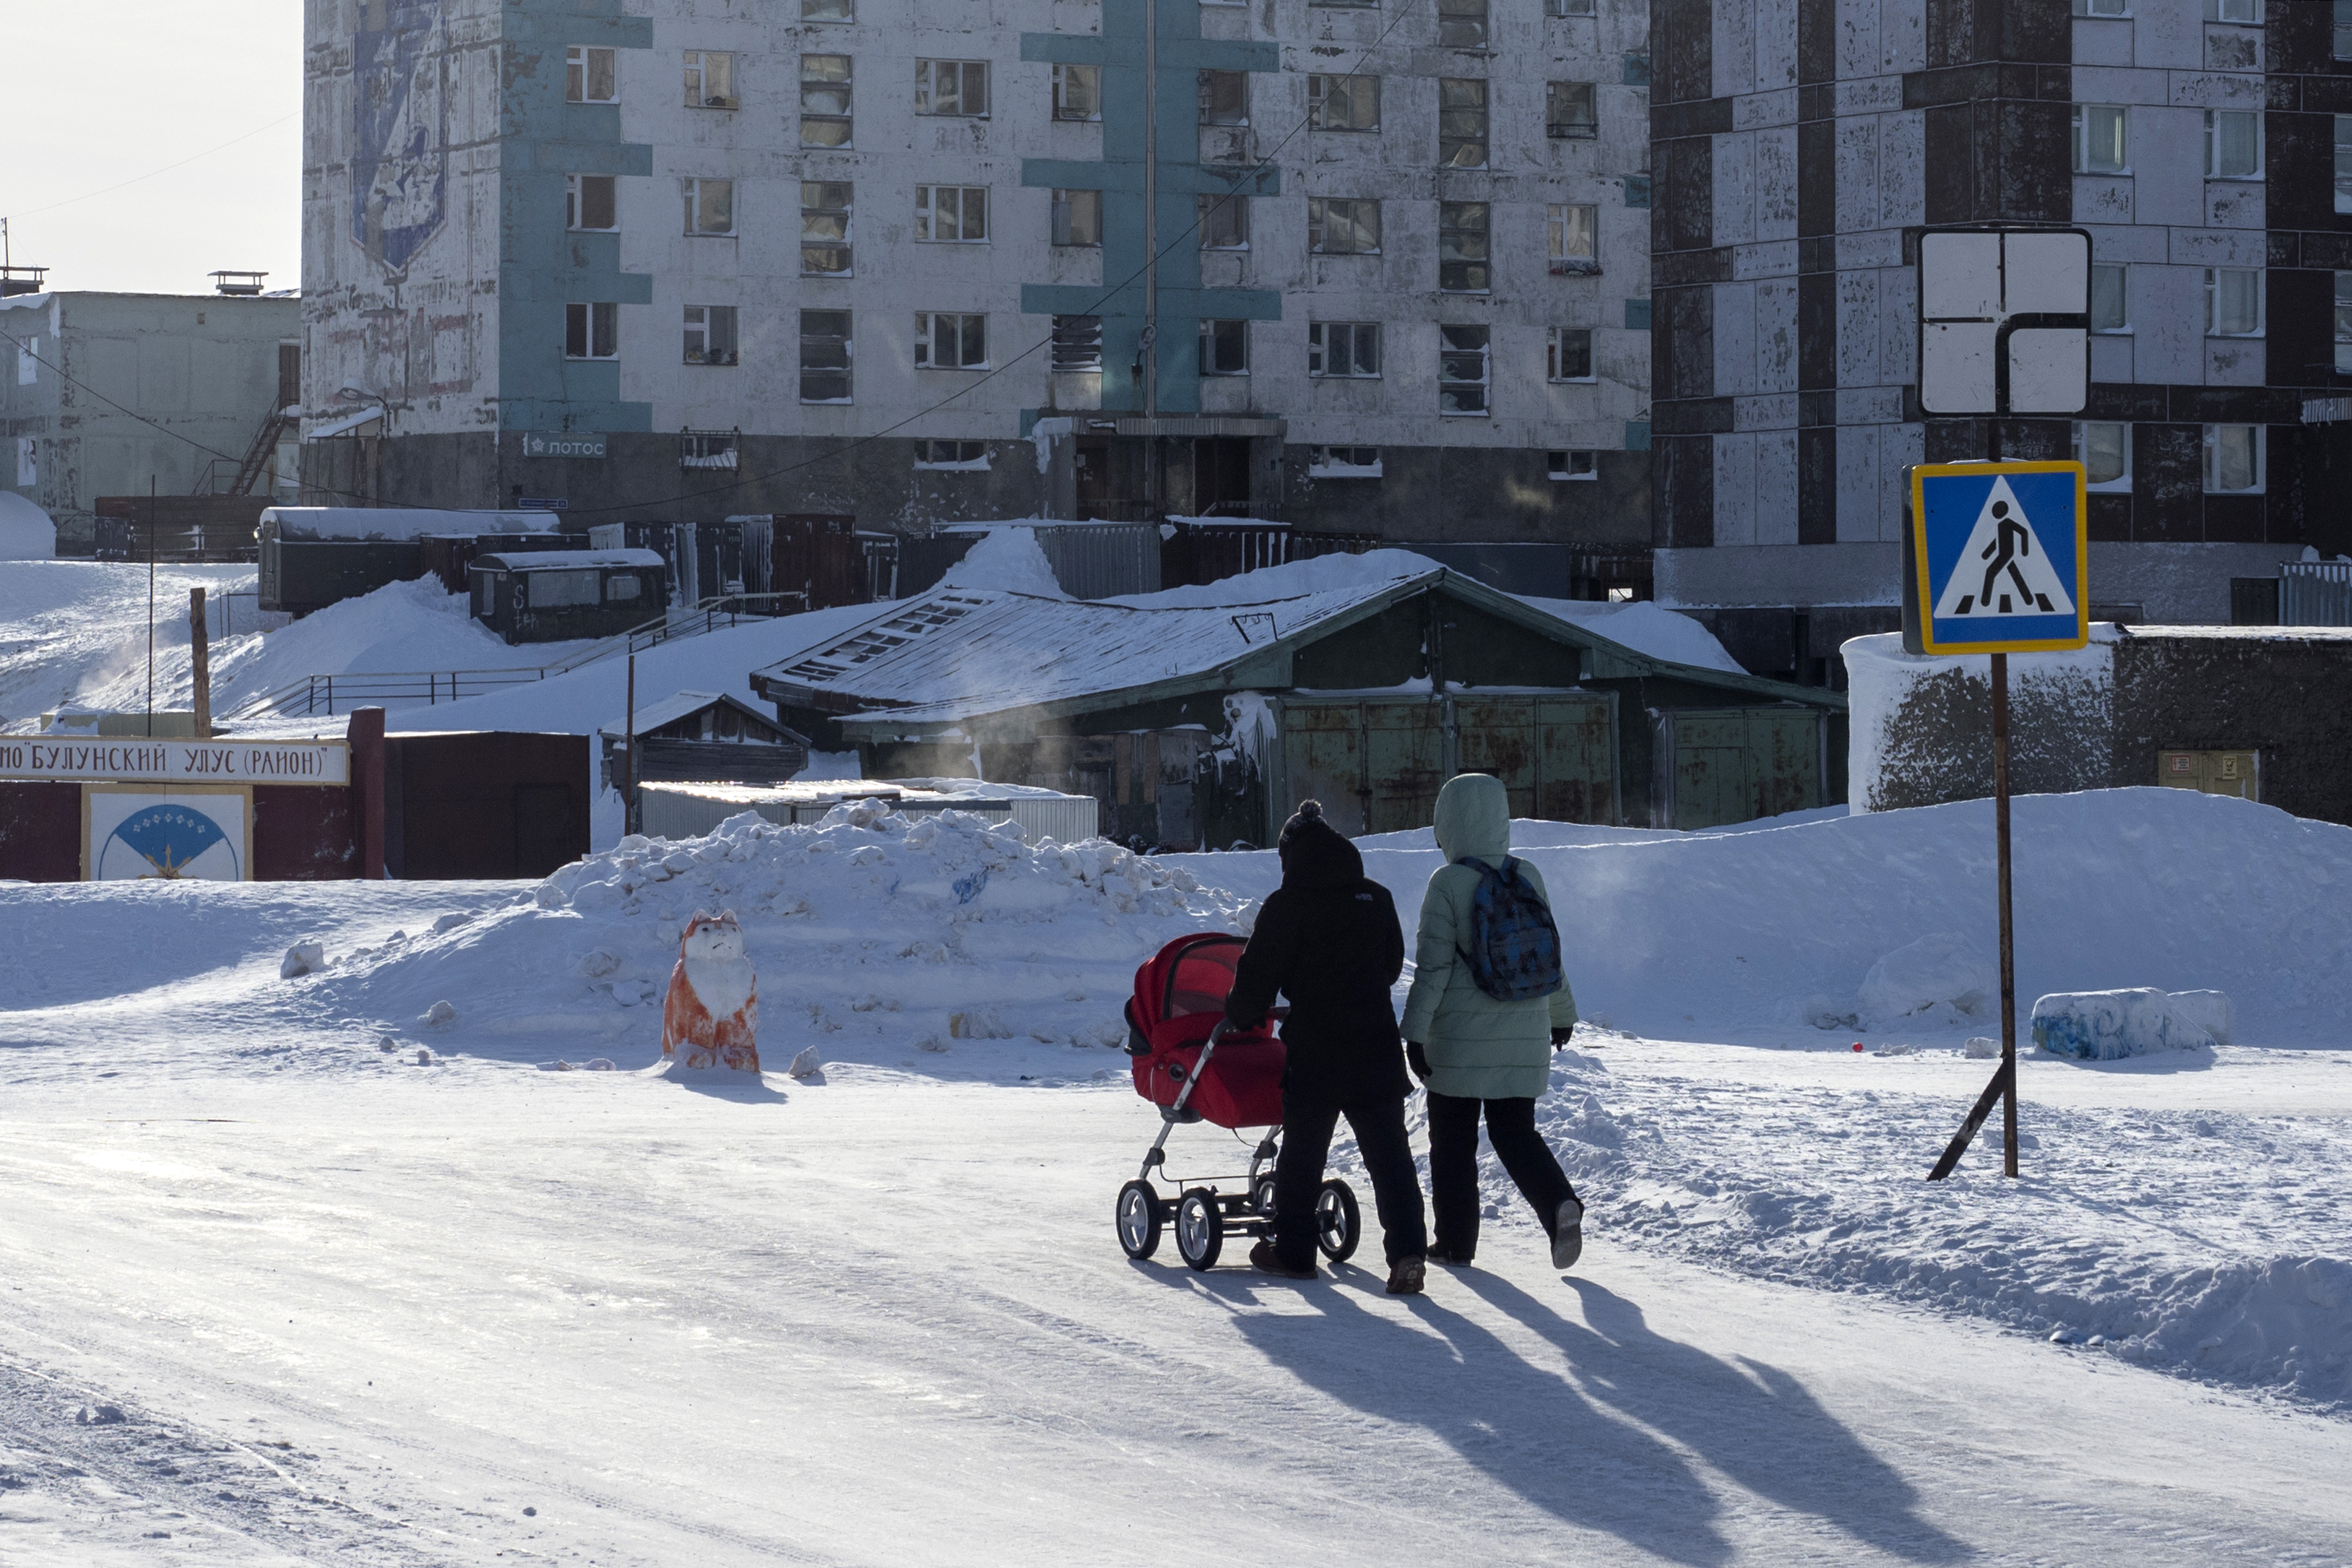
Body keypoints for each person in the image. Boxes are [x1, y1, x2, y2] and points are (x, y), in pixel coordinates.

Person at [1224, 800, 1430, 1295]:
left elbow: (1255, 982)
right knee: (1390, 1156)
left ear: (1290, 856)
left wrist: (1240, 1014)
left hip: (1317, 1047)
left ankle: (1294, 1253)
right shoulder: (1375, 898)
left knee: (1302, 1152)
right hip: (1375, 1043)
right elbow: (1390, 964)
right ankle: (1408, 1254)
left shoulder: (1286, 905)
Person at [1399, 773, 1586, 1271]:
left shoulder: (1448, 883)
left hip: (1458, 1042)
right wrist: (1562, 1015)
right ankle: (1559, 1204)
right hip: (1524, 1034)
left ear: (1449, 824)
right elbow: (1551, 956)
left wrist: (1414, 1033)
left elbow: (1434, 969)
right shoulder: (1528, 875)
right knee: (1515, 1133)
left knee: (1453, 1142)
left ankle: (1457, 1241)